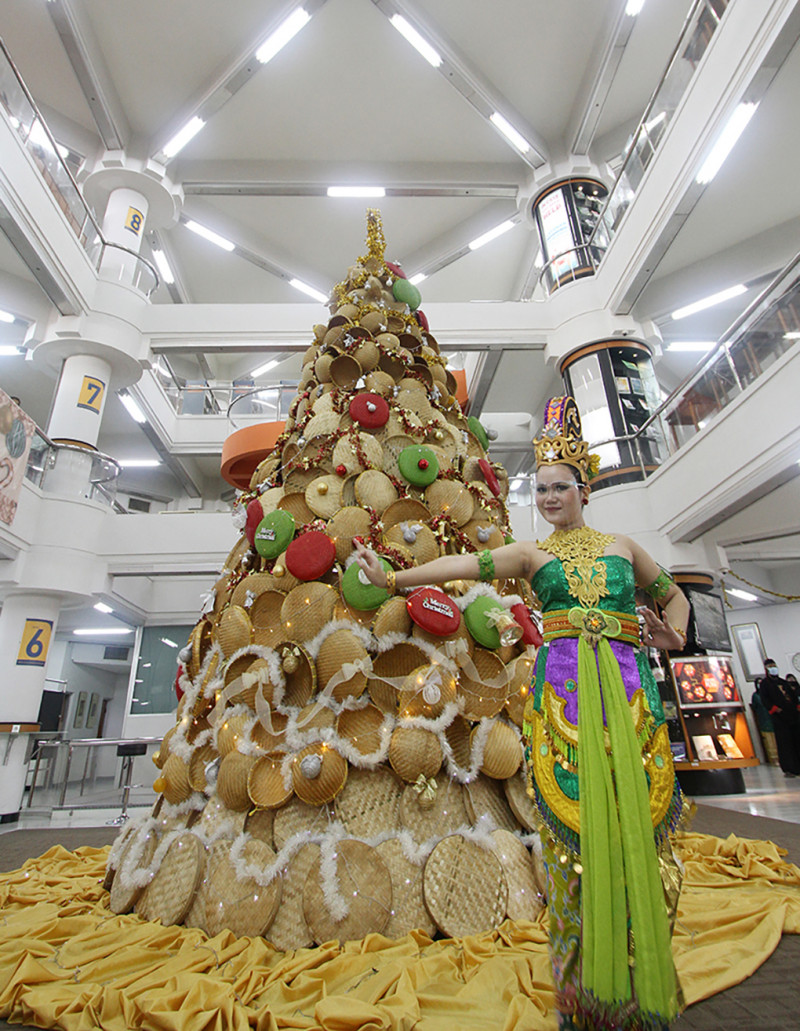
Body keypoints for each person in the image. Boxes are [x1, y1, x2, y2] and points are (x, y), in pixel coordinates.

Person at [355, 396, 690, 1031]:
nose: (549, 497)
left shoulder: (624, 546)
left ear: (583, 488)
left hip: (628, 699)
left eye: (560, 486)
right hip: (565, 704)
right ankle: (589, 996)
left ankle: (643, 975)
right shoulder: (533, 556)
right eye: (540, 488)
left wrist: (672, 634)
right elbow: (464, 565)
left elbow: (674, 599)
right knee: (574, 843)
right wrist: (395, 578)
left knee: (640, 834)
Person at [758, 661, 800, 776]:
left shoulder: (783, 682)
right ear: (766, 669)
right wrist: (774, 709)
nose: (773, 668)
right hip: (779, 718)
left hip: (792, 715)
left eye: (774, 666)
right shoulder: (765, 684)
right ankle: (788, 768)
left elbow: (793, 696)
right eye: (770, 667)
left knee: (796, 741)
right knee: (784, 743)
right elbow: (765, 699)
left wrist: (797, 707)